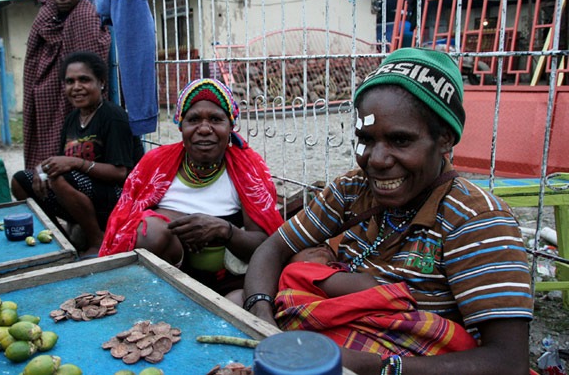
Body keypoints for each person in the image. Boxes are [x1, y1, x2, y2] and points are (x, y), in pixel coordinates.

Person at [242, 47, 533, 375]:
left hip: (406, 366)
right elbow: (273, 248)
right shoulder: (351, 190)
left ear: (445, 139)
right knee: (240, 299)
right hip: (323, 342)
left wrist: (374, 367)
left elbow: (508, 363)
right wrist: (263, 323)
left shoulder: (475, 220)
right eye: (365, 139)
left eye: (400, 141)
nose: (376, 160)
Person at [99, 78, 284, 295]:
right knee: (151, 230)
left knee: (240, 303)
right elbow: (127, 225)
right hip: (166, 280)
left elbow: (267, 246)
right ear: (181, 126)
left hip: (230, 282)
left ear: (230, 127)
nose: (204, 129)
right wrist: (171, 219)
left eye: (216, 119)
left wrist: (224, 230)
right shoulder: (156, 165)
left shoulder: (247, 171)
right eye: (193, 119)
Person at [12, 51, 143, 255]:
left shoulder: (113, 117)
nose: (76, 87)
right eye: (69, 81)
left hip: (119, 196)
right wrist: (41, 169)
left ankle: (97, 240)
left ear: (101, 82)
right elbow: (59, 162)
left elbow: (121, 173)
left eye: (84, 80)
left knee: (61, 176)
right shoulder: (72, 119)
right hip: (83, 195)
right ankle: (61, 239)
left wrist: (76, 163)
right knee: (21, 180)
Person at [274, 244, 477, 356]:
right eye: (312, 247)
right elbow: (369, 288)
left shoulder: (326, 274)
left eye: (328, 248)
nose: (322, 248)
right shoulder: (293, 272)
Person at [23, 0, 110, 169]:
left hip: (79, 94)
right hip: (49, 95)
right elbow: (31, 60)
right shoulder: (45, 15)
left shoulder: (86, 15)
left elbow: (95, 58)